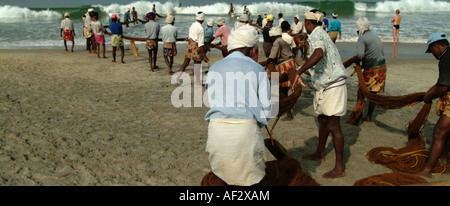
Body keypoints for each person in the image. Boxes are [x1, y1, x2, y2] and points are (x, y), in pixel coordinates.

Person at [204, 25, 271, 186]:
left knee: (220, 174)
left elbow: (211, 99)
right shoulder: (257, 69)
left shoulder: (214, 68)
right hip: (246, 130)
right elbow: (266, 110)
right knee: (252, 178)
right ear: (252, 50)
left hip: (217, 129)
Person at [292, 9, 349, 178]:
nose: (304, 27)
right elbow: (320, 60)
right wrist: (305, 73)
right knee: (323, 120)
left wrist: (299, 71)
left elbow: (318, 54)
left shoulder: (316, 34)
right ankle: (320, 153)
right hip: (326, 84)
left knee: (333, 125)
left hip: (333, 85)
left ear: (308, 23)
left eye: (304, 23)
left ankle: (339, 168)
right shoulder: (322, 33)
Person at [411, 32, 450, 178]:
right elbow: (441, 83)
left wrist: (429, 98)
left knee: (439, 132)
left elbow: (443, 88)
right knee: (447, 132)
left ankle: (427, 171)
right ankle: (444, 159)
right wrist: (424, 96)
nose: (432, 54)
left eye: (431, 50)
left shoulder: (445, 58)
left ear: (436, 46)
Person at [344, 17, 386, 125]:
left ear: (360, 28)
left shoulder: (362, 38)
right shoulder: (375, 35)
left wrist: (353, 60)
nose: (356, 31)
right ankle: (368, 117)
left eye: (357, 29)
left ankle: (359, 117)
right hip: (381, 67)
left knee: (361, 92)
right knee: (373, 94)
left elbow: (360, 56)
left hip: (372, 69)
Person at [261, 27, 296, 121]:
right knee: (282, 89)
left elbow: (272, 57)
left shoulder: (277, 42)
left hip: (285, 65)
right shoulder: (282, 41)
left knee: (281, 89)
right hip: (289, 64)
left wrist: (265, 64)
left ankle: (288, 112)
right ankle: (282, 110)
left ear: (273, 37)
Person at [174, 12, 209, 86]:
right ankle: (198, 82)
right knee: (197, 64)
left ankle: (177, 79)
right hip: (196, 46)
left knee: (185, 63)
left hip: (190, 45)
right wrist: (204, 56)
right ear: (203, 19)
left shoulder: (193, 25)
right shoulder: (201, 28)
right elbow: (201, 44)